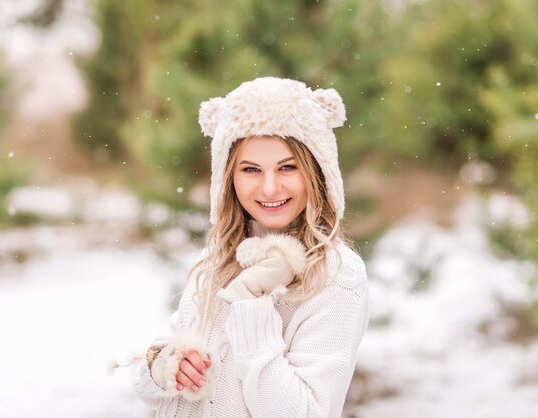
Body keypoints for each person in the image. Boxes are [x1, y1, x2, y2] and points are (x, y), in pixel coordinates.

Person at [133, 76, 369, 417]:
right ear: (229, 178)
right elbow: (157, 393)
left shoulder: (335, 276)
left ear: (316, 173)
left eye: (287, 167)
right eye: (251, 169)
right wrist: (166, 367)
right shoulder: (217, 259)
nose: (270, 188)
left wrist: (252, 306)